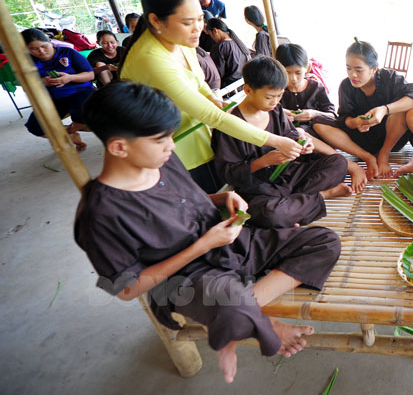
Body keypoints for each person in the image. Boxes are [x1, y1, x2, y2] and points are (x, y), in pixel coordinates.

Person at [74, 82, 341, 384]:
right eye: (161, 140)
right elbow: (126, 290)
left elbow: (187, 200)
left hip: (232, 244)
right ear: (119, 147)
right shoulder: (99, 214)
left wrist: (222, 198)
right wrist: (202, 246)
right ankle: (251, 321)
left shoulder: (162, 160)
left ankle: (242, 316)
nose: (171, 147)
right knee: (228, 300)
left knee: (324, 241)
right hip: (186, 279)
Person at [121, 0, 302, 193]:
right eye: (188, 22)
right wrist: (276, 141)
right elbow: (213, 117)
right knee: (202, 201)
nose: (198, 28)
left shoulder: (180, 40)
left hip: (197, 135)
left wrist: (211, 95)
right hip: (169, 147)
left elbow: (199, 82)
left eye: (200, 19)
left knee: (223, 193)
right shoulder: (150, 59)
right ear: (156, 21)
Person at [212, 56, 352, 227]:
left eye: (279, 95)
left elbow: (291, 135)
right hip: (259, 189)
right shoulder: (229, 125)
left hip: (290, 174)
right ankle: (322, 196)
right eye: (269, 97)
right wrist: (264, 161)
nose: (275, 102)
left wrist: (303, 144)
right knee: (271, 214)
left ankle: (294, 207)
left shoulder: (275, 110)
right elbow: (228, 173)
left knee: (338, 162)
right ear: (248, 90)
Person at [313, 38, 413, 179]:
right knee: (318, 122)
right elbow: (343, 118)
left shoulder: (390, 78)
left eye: (359, 70)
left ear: (374, 69)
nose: (353, 75)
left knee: (402, 108)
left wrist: (385, 109)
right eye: (348, 68)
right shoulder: (346, 86)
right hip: (362, 139)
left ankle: (384, 153)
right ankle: (367, 157)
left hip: (391, 138)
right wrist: (355, 122)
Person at [276, 43, 368, 193]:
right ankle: (334, 180)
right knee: (297, 135)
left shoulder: (315, 87)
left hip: (320, 139)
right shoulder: (277, 92)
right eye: (288, 73)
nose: (293, 78)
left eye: (298, 72)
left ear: (307, 67)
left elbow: (332, 115)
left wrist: (313, 113)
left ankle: (350, 166)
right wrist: (281, 113)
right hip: (297, 147)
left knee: (309, 127)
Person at [21, 28, 93, 151]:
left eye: (44, 46)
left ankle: (70, 130)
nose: (41, 52)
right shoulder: (28, 62)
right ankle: (70, 136)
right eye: (34, 49)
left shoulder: (68, 52)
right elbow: (27, 86)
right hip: (54, 97)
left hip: (81, 91)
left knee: (82, 117)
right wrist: (41, 82)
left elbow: (90, 75)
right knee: (35, 126)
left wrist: (70, 78)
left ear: (50, 42)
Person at [206, 17, 251, 88]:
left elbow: (217, 74)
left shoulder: (220, 47)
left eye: (211, 35)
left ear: (215, 30)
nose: (213, 38)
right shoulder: (237, 41)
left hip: (229, 88)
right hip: (244, 84)